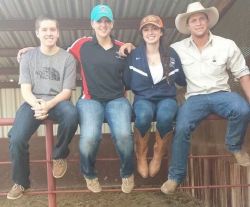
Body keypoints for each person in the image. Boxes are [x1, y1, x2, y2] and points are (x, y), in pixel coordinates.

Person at [160, 2, 250, 194]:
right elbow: (155, 54)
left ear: (208, 21)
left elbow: (242, 73)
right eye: (194, 20)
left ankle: (234, 146)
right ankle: (175, 177)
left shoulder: (226, 45)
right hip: (194, 98)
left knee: (242, 109)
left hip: (222, 94)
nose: (198, 23)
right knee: (182, 127)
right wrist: (128, 46)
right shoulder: (176, 48)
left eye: (202, 18)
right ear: (188, 25)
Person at [7, 15, 78, 200]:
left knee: (72, 115)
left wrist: (48, 104)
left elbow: (66, 92)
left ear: (58, 32)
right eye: (44, 30)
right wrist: (37, 104)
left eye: (52, 29)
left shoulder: (67, 58)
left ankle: (59, 155)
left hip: (58, 102)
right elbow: (25, 89)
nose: (49, 33)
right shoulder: (28, 57)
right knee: (16, 138)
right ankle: (21, 182)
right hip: (33, 102)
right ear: (37, 33)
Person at [68, 4, 134, 193]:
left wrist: (133, 46)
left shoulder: (122, 48)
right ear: (92, 23)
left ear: (112, 24)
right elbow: (57, 55)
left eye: (107, 21)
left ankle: (127, 173)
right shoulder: (82, 44)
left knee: (123, 136)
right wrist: (35, 49)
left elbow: (143, 59)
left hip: (117, 99)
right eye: (99, 21)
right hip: (90, 100)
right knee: (89, 138)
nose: (103, 25)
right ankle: (89, 174)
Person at [123, 15, 186, 178]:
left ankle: (158, 153)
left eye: (154, 28)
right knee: (143, 116)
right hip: (143, 97)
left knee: (166, 116)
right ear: (142, 33)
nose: (150, 32)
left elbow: (181, 79)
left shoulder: (172, 54)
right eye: (146, 29)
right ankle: (142, 155)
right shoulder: (134, 54)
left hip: (167, 97)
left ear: (161, 32)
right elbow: (126, 81)